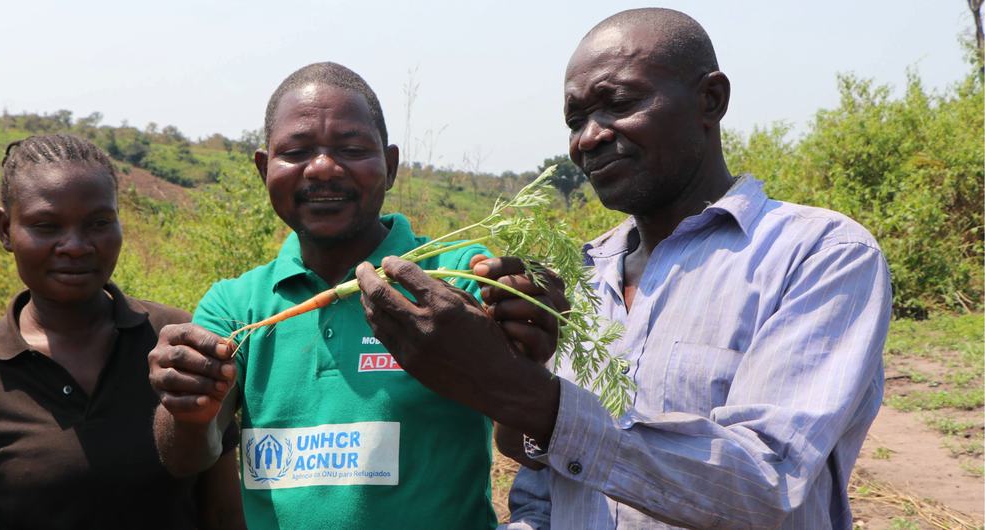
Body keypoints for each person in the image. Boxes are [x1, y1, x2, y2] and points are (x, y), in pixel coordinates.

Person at [354, 8, 891, 529]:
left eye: (619, 103)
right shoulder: (578, 280)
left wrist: (512, 389)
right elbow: (543, 491)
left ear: (711, 99)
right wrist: (518, 392)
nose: (589, 136)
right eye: (575, 120)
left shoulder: (818, 255)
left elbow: (764, 481)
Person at [147, 63, 501, 529]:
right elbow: (187, 457)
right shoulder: (235, 305)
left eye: (352, 149)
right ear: (263, 168)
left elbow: (522, 426)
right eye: (296, 152)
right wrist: (187, 408)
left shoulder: (455, 277)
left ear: (390, 166)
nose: (324, 169)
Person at [0, 134, 243, 530]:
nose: (75, 246)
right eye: (46, 225)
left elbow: (225, 513)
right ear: (5, 229)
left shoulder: (177, 344)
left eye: (99, 223)